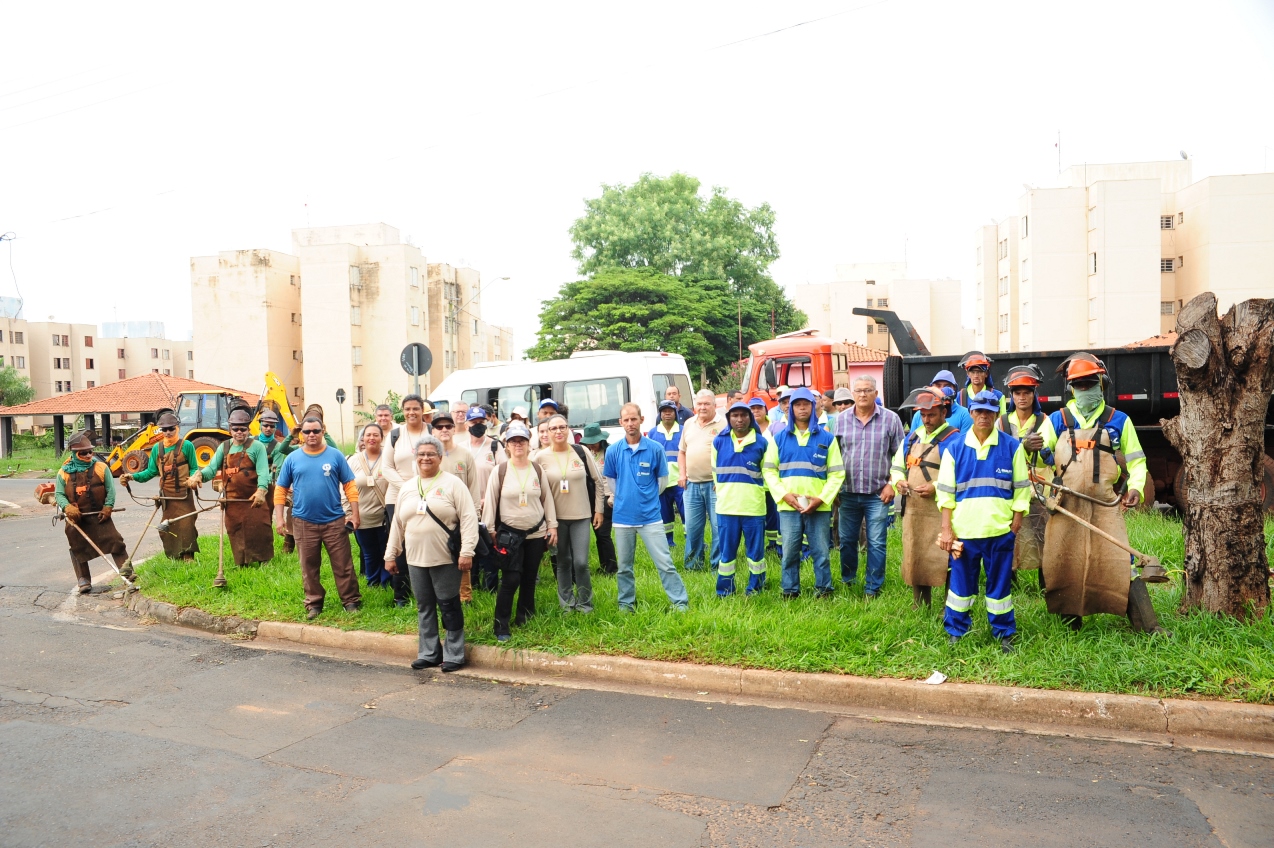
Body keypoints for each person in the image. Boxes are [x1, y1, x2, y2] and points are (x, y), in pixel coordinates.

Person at [1041, 353, 1167, 635]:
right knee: (1066, 560)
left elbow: (1137, 462)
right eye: (1080, 384)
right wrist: (1034, 449)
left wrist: (1135, 487)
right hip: (1066, 506)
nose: (1085, 389)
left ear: (1102, 383)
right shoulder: (1056, 421)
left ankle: (1148, 626)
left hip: (1105, 506)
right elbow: (1037, 462)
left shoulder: (1118, 420)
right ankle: (1070, 626)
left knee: (1122, 561)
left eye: (1090, 383)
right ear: (1070, 388)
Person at [936, 391, 1030, 652]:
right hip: (964, 533)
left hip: (1000, 532)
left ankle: (1004, 633)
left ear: (996, 415)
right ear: (972, 413)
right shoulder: (954, 448)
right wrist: (947, 530)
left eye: (989, 412)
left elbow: (1022, 489)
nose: (983, 416)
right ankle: (956, 630)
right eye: (978, 411)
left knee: (1000, 588)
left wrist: (1016, 524)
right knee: (960, 587)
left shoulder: (1012, 446)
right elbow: (945, 493)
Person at [385, 435, 478, 672]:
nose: (425, 458)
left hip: (445, 558)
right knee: (424, 606)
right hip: (415, 558)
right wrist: (390, 554)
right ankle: (429, 652)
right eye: (421, 454)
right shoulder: (407, 486)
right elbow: (397, 524)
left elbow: (468, 518)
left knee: (449, 604)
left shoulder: (453, 484)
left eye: (430, 454)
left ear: (440, 457)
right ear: (415, 458)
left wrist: (467, 551)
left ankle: (454, 654)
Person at [273, 415, 362, 619]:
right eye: (307, 431)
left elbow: (350, 486)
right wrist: (279, 519)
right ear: (301, 435)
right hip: (303, 522)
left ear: (323, 431)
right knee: (309, 565)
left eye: (316, 431)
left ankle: (350, 601)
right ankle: (314, 603)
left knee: (343, 564)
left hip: (334, 521)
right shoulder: (292, 459)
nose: (311, 435)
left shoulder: (335, 456)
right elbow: (280, 490)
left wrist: (355, 514)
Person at [604, 403, 689, 612]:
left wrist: (645, 497)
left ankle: (680, 602)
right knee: (624, 567)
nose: (630, 423)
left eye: (634, 419)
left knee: (665, 563)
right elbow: (612, 482)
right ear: (621, 422)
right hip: (623, 518)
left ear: (641, 420)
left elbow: (662, 481)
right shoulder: (613, 451)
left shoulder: (655, 448)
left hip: (650, 517)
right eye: (626, 420)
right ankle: (626, 603)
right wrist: (626, 496)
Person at [762, 388, 844, 599]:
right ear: (790, 409)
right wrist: (784, 496)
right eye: (797, 405)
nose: (801, 408)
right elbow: (769, 471)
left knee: (821, 552)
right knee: (789, 551)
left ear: (813, 406)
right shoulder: (779, 438)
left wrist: (821, 499)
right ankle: (790, 591)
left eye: (806, 404)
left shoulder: (827, 438)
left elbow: (837, 474)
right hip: (788, 506)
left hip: (818, 506)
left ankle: (824, 590)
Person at [483, 422, 557, 640]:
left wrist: (552, 525)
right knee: (511, 579)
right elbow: (491, 501)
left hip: (535, 533)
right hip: (509, 536)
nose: (518, 445)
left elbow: (547, 499)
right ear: (507, 445)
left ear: (529, 444)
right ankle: (501, 625)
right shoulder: (501, 470)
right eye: (514, 441)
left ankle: (525, 616)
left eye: (522, 441)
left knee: (529, 576)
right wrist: (490, 530)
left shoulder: (537, 469)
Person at [892, 386, 962, 608]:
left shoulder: (954, 439)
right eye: (923, 415)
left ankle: (947, 607)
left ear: (944, 412)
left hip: (943, 511)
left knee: (947, 557)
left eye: (931, 414)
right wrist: (898, 482)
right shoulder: (912, 438)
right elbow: (896, 467)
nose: (927, 419)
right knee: (916, 552)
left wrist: (935, 487)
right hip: (913, 510)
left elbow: (961, 473)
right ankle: (920, 604)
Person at [833, 376, 904, 598]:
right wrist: (834, 489)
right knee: (846, 541)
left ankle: (873, 586)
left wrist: (892, 484)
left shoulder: (891, 420)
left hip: (878, 494)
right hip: (847, 493)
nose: (863, 394)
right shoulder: (841, 420)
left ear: (876, 393)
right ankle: (848, 579)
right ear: (853, 394)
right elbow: (833, 457)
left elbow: (900, 457)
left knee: (877, 542)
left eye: (868, 390)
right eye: (859, 390)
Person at [187, 407, 273, 567]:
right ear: (230, 429)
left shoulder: (257, 447)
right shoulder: (224, 447)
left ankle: (264, 562)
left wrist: (261, 490)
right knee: (235, 530)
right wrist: (199, 475)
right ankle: (242, 564)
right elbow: (211, 469)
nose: (239, 432)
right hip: (232, 499)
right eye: (235, 429)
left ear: (248, 429)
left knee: (259, 529)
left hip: (254, 499)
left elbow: (263, 472)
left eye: (243, 429)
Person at [536, 413, 604, 612]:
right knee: (563, 561)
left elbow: (598, 482)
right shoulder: (540, 457)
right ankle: (567, 604)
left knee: (581, 562)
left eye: (562, 427)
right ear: (547, 432)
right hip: (556, 520)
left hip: (581, 516)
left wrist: (598, 510)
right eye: (553, 428)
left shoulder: (581, 451)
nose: (558, 431)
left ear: (569, 429)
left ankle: (585, 603)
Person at [997, 365, 1057, 579]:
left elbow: (1048, 455)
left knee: (1043, 534)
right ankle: (1010, 582)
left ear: (1034, 394)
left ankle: (1045, 582)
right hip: (1009, 488)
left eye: (1027, 392)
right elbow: (997, 452)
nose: (1022, 397)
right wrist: (1023, 446)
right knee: (1008, 534)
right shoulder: (1002, 422)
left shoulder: (1044, 422)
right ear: (1011, 395)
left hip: (1039, 489)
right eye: (1017, 393)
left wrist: (1039, 451)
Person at [55, 432, 132, 592]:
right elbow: (59, 494)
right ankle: (83, 579)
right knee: (77, 545)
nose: (89, 455)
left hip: (100, 515)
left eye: (90, 451)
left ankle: (127, 573)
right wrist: (67, 508)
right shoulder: (64, 472)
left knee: (115, 541)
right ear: (74, 453)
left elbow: (111, 490)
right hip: (77, 519)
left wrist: (108, 507)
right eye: (84, 452)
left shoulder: (101, 467)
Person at [119, 411, 200, 561]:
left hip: (184, 494)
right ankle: (175, 558)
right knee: (167, 528)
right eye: (164, 429)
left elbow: (195, 467)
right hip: (166, 496)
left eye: (171, 428)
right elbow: (150, 472)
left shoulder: (187, 445)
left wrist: (194, 477)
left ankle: (189, 557)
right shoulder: (157, 448)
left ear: (178, 428)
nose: (168, 432)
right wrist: (132, 476)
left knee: (187, 525)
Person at [712, 402, 770, 596]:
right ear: (729, 418)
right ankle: (725, 590)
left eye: (743, 415)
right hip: (727, 507)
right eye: (734, 415)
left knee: (755, 554)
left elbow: (768, 474)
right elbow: (715, 472)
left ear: (750, 418)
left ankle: (755, 589)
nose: (739, 419)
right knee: (726, 554)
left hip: (753, 508)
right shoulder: (719, 441)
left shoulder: (762, 443)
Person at [382, 394, 432, 607]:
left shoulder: (431, 432)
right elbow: (386, 467)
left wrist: (421, 489)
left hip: (429, 495)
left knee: (426, 539)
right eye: (407, 409)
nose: (412, 413)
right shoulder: (395, 435)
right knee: (400, 542)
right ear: (403, 411)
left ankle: (427, 590)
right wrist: (408, 489)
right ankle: (400, 594)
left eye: (416, 409)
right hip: (398, 497)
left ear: (422, 411)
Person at [431, 410, 480, 602]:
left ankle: (465, 596)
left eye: (448, 426)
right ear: (433, 430)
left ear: (454, 429)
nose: (444, 430)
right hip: (435, 515)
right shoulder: (428, 454)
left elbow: (473, 486)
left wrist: (475, 515)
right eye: (439, 426)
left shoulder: (465, 454)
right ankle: (439, 593)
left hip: (461, 515)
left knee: (461, 554)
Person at [678, 389, 724, 571]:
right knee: (693, 528)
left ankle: (717, 565)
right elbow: (682, 451)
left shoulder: (724, 425)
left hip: (715, 486)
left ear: (714, 405)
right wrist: (682, 475)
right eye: (699, 404)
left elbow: (728, 455)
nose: (702, 407)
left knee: (718, 528)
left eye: (706, 404)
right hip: (691, 485)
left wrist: (720, 479)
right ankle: (693, 565)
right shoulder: (689, 423)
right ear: (695, 406)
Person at [465, 406, 506, 592]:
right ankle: (471, 584)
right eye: (474, 422)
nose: (478, 426)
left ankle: (491, 587)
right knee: (470, 545)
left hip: (491, 505)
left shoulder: (495, 446)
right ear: (467, 424)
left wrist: (488, 499)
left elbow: (504, 474)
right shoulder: (460, 447)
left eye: (481, 422)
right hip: (467, 506)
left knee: (490, 545)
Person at [347, 422, 391, 588]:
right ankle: (373, 581)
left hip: (384, 516)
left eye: (375, 435)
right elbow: (344, 487)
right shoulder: (353, 460)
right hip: (361, 516)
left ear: (382, 438)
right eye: (368, 435)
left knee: (386, 550)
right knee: (369, 553)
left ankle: (387, 582)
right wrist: (348, 513)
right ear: (363, 439)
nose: (372, 438)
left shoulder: (388, 458)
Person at [580, 422, 618, 575]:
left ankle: (611, 568)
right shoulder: (587, 453)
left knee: (603, 534)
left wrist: (613, 496)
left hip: (607, 497)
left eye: (594, 442)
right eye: (589, 443)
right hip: (593, 497)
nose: (592, 446)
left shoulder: (609, 452)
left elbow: (617, 476)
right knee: (598, 534)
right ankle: (604, 565)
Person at [647, 400, 685, 548]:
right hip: (662, 481)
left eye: (670, 410)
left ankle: (692, 541)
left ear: (675, 413)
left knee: (687, 514)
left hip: (681, 480)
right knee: (665, 514)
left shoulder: (683, 430)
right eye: (664, 411)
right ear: (660, 414)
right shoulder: (653, 432)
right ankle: (668, 542)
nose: (667, 413)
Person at [749, 395, 781, 553]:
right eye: (752, 409)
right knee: (758, 514)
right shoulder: (746, 429)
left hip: (773, 480)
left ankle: (775, 544)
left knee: (774, 514)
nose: (755, 411)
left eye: (758, 408)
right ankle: (759, 544)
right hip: (755, 482)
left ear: (765, 410)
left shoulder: (775, 427)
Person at [909, 370, 973, 436]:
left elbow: (964, 444)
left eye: (947, 386)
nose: (941, 389)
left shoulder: (965, 415)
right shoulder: (919, 415)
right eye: (938, 386)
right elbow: (911, 441)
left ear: (954, 389)